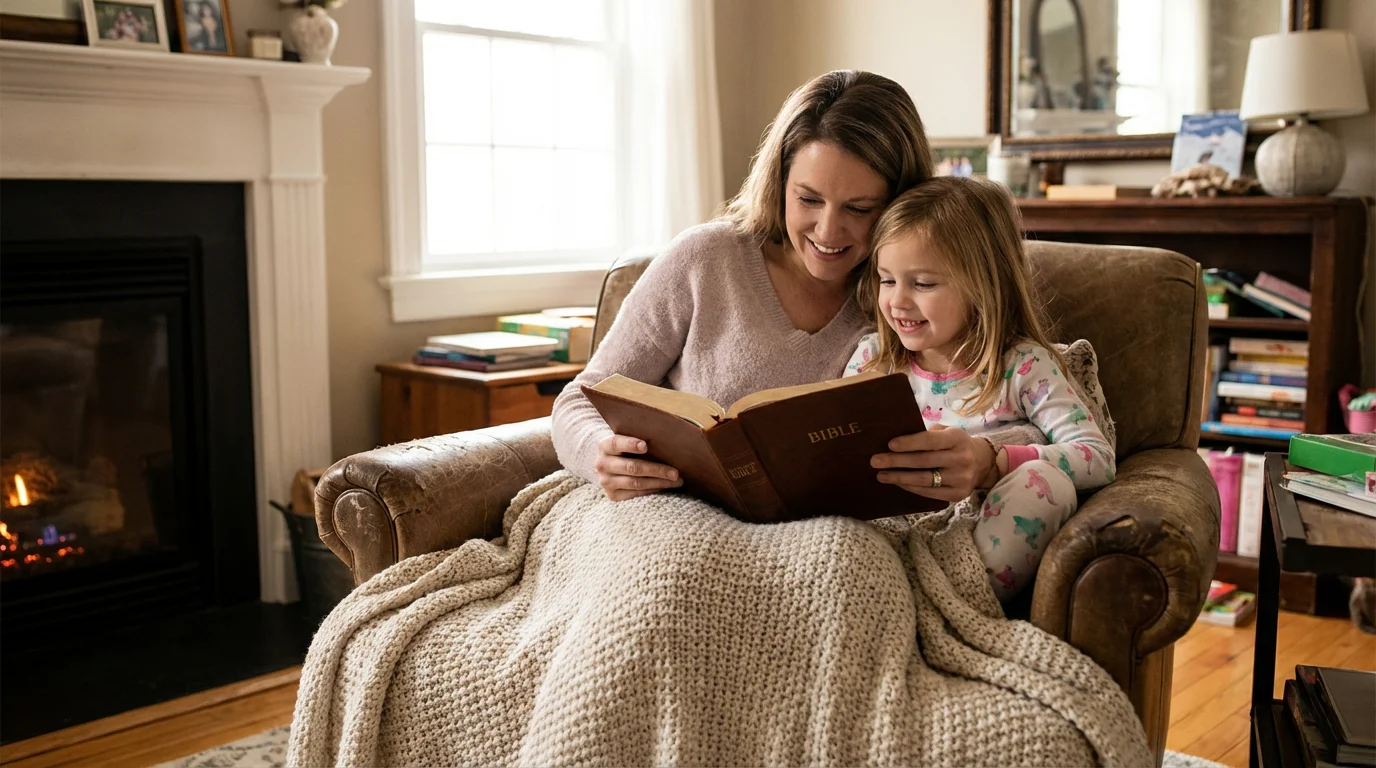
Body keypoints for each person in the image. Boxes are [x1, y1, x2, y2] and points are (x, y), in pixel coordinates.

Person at [552, 70, 933, 498]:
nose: (827, 231)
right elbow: (578, 402)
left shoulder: (924, 292)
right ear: (780, 181)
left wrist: (976, 460)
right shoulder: (706, 258)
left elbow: (1006, 401)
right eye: (808, 199)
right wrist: (601, 453)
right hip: (675, 512)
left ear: (900, 202)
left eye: (859, 209)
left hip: (827, 526)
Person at [843, 176, 1116, 599]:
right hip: (886, 540)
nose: (897, 301)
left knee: (1047, 485)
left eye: (923, 283)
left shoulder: (1023, 366)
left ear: (984, 284)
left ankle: (946, 606)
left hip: (972, 542)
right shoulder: (873, 359)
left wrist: (995, 462)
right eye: (887, 279)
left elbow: (1097, 458)